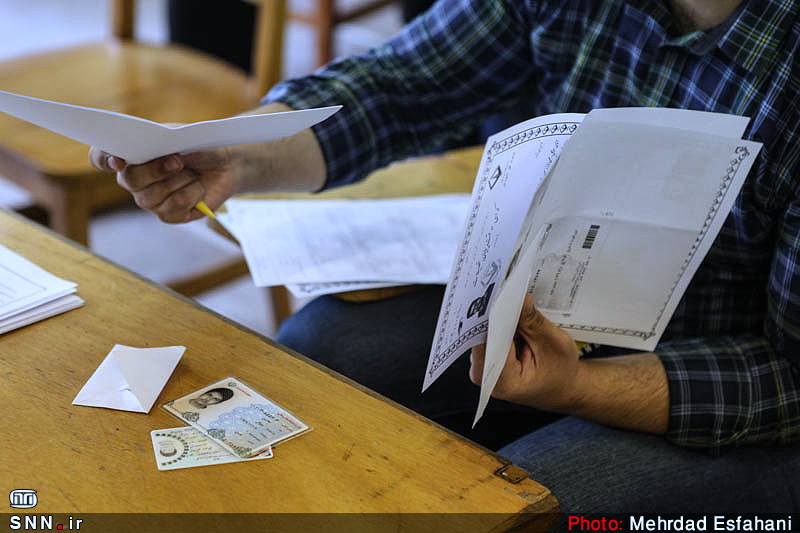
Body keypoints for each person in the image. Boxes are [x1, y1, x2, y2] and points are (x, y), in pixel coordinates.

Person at [91, 0, 800, 512]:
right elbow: (400, 85)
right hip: (561, 310)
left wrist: (577, 390)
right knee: (326, 350)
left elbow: (790, 378)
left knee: (493, 505)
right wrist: (232, 151)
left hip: (740, 395)